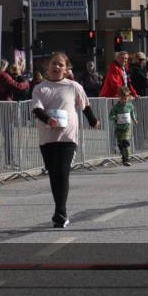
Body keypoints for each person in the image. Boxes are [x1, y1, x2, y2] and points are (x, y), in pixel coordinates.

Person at [31, 52, 100, 228]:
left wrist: (93, 120)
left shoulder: (73, 86)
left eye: (60, 65)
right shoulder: (40, 88)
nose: (56, 67)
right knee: (54, 175)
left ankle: (60, 213)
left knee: (62, 173)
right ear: (48, 66)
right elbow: (37, 109)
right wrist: (48, 120)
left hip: (68, 137)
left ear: (66, 68)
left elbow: (85, 105)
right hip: (47, 138)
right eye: (54, 64)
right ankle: (59, 209)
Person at [109, 87, 137, 167]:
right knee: (120, 144)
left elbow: (132, 113)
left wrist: (134, 119)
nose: (124, 101)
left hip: (127, 127)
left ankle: (128, 158)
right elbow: (110, 116)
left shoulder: (129, 105)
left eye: (125, 99)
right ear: (119, 97)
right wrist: (115, 117)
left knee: (126, 142)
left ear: (128, 97)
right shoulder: (116, 107)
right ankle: (124, 158)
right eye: (122, 99)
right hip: (118, 128)